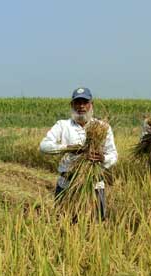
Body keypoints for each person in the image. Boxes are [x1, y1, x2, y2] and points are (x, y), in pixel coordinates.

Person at [39, 87, 118, 219]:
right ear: (72, 105)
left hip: (94, 185)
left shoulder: (102, 127)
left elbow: (113, 155)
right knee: (64, 224)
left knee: (96, 226)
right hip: (67, 185)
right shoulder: (63, 125)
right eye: (77, 102)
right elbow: (44, 146)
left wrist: (103, 158)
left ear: (91, 105)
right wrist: (67, 148)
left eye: (85, 102)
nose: (81, 106)